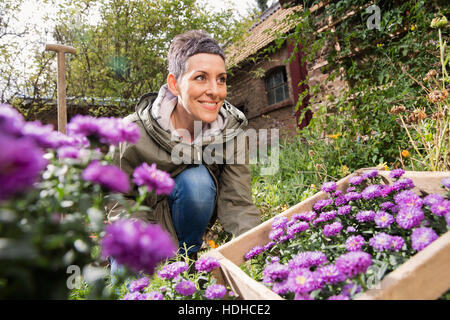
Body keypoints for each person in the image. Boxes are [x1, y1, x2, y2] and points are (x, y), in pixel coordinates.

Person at [108, 30, 261, 263]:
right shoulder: (132, 132)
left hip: (186, 224)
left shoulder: (230, 131)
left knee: (197, 181)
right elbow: (118, 198)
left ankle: (187, 260)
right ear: (175, 84)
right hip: (139, 230)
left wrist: (257, 254)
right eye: (201, 77)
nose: (215, 90)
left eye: (221, 79)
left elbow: (237, 201)